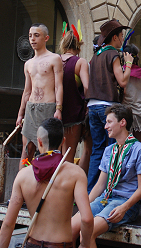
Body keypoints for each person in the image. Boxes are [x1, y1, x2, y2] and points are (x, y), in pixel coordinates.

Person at [0, 118, 94, 248]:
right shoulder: (76, 174)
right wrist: (85, 244)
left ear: (39, 142)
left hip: (33, 243)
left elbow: (8, 224)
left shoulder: (23, 175)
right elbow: (87, 219)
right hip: (61, 244)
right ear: (63, 141)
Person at [71, 104, 141, 248]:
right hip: (105, 198)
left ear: (122, 122)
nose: (105, 126)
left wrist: (124, 208)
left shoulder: (140, 150)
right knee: (70, 229)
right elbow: (100, 185)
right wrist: (85, 206)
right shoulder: (109, 150)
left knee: (87, 233)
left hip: (124, 202)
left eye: (109, 122)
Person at [86, 20, 133, 191]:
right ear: (114, 37)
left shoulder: (96, 55)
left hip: (92, 106)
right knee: (111, 150)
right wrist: (128, 63)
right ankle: (107, 190)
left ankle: (90, 191)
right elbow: (122, 81)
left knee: (97, 150)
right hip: (108, 108)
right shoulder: (113, 53)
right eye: (121, 36)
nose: (122, 39)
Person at [16, 23, 64, 169]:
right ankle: (23, 184)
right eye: (30, 36)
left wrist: (58, 108)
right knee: (26, 150)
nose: (32, 39)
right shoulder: (28, 64)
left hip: (48, 107)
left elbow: (59, 86)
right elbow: (26, 91)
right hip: (31, 109)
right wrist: (20, 114)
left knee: (48, 150)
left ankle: (46, 184)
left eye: (36, 35)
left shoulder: (54, 58)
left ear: (46, 38)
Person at [60, 28, 89, 164]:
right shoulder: (80, 62)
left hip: (54, 114)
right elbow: (87, 86)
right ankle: (66, 185)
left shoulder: (55, 60)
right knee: (68, 156)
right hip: (73, 114)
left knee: (53, 155)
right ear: (78, 45)